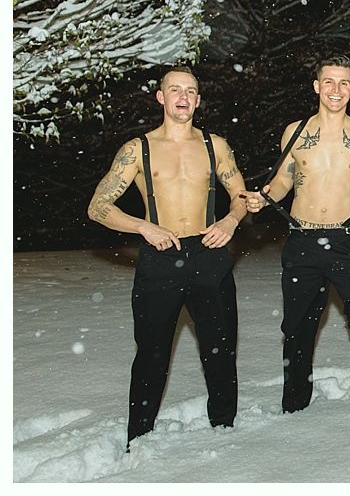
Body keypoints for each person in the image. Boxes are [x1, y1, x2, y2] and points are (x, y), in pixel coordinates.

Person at [87, 66, 248, 448]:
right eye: (175, 89)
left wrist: (230, 219)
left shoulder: (216, 146)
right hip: (160, 256)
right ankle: (138, 437)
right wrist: (143, 227)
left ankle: (224, 430)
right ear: (161, 97)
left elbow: (241, 195)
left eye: (191, 91)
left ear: (197, 99)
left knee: (220, 350)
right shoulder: (137, 149)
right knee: (151, 353)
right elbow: (98, 206)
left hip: (209, 253)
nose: (183, 97)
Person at [241, 56, 350, 417]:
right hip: (303, 241)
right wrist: (266, 196)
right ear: (316, 86)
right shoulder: (296, 131)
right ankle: (294, 403)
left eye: (343, 84)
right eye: (328, 82)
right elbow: (285, 178)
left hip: (346, 241)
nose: (335, 90)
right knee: (296, 326)